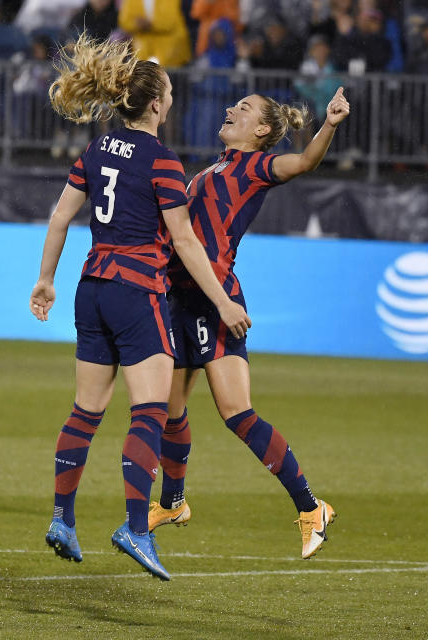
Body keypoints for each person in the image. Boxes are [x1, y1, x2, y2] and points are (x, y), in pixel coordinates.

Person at [29, 35, 250, 581]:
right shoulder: (164, 161)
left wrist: (44, 280)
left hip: (89, 288)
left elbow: (59, 219)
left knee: (85, 411)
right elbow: (185, 242)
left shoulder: (96, 150)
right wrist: (222, 302)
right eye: (169, 91)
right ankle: (136, 526)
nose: (171, 98)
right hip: (136, 291)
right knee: (151, 411)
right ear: (155, 104)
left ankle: (62, 518)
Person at [147, 86, 350, 559]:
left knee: (236, 413)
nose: (231, 108)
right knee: (168, 412)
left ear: (262, 130)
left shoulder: (258, 166)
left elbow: (303, 163)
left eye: (244, 108)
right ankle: (173, 504)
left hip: (214, 302)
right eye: (234, 103)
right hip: (179, 298)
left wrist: (330, 125)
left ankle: (310, 507)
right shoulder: (210, 169)